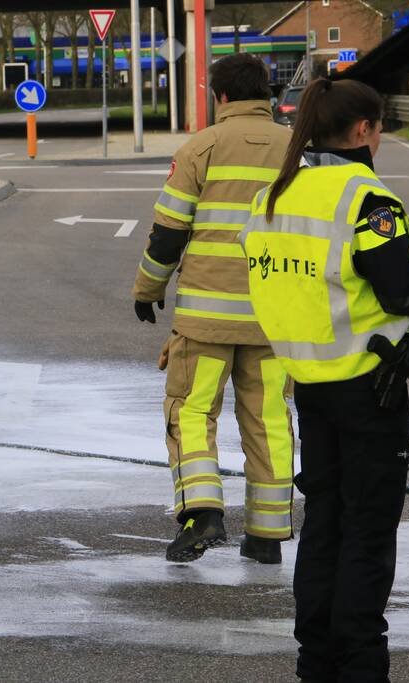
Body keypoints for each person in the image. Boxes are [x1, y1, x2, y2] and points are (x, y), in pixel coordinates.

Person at [240, 77, 409, 683]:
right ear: (363, 131)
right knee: (368, 531)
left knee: (324, 523)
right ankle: (360, 663)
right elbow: (403, 290)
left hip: (311, 387)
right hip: (368, 390)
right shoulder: (368, 201)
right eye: (378, 128)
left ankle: (316, 660)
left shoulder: (274, 195)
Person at [130, 53, 295, 564]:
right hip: (276, 318)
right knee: (269, 418)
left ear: (220, 96)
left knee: (193, 410)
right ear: (264, 92)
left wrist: (147, 289)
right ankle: (267, 536)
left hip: (206, 319)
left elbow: (168, 232)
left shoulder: (202, 146)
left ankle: (203, 512)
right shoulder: (298, 148)